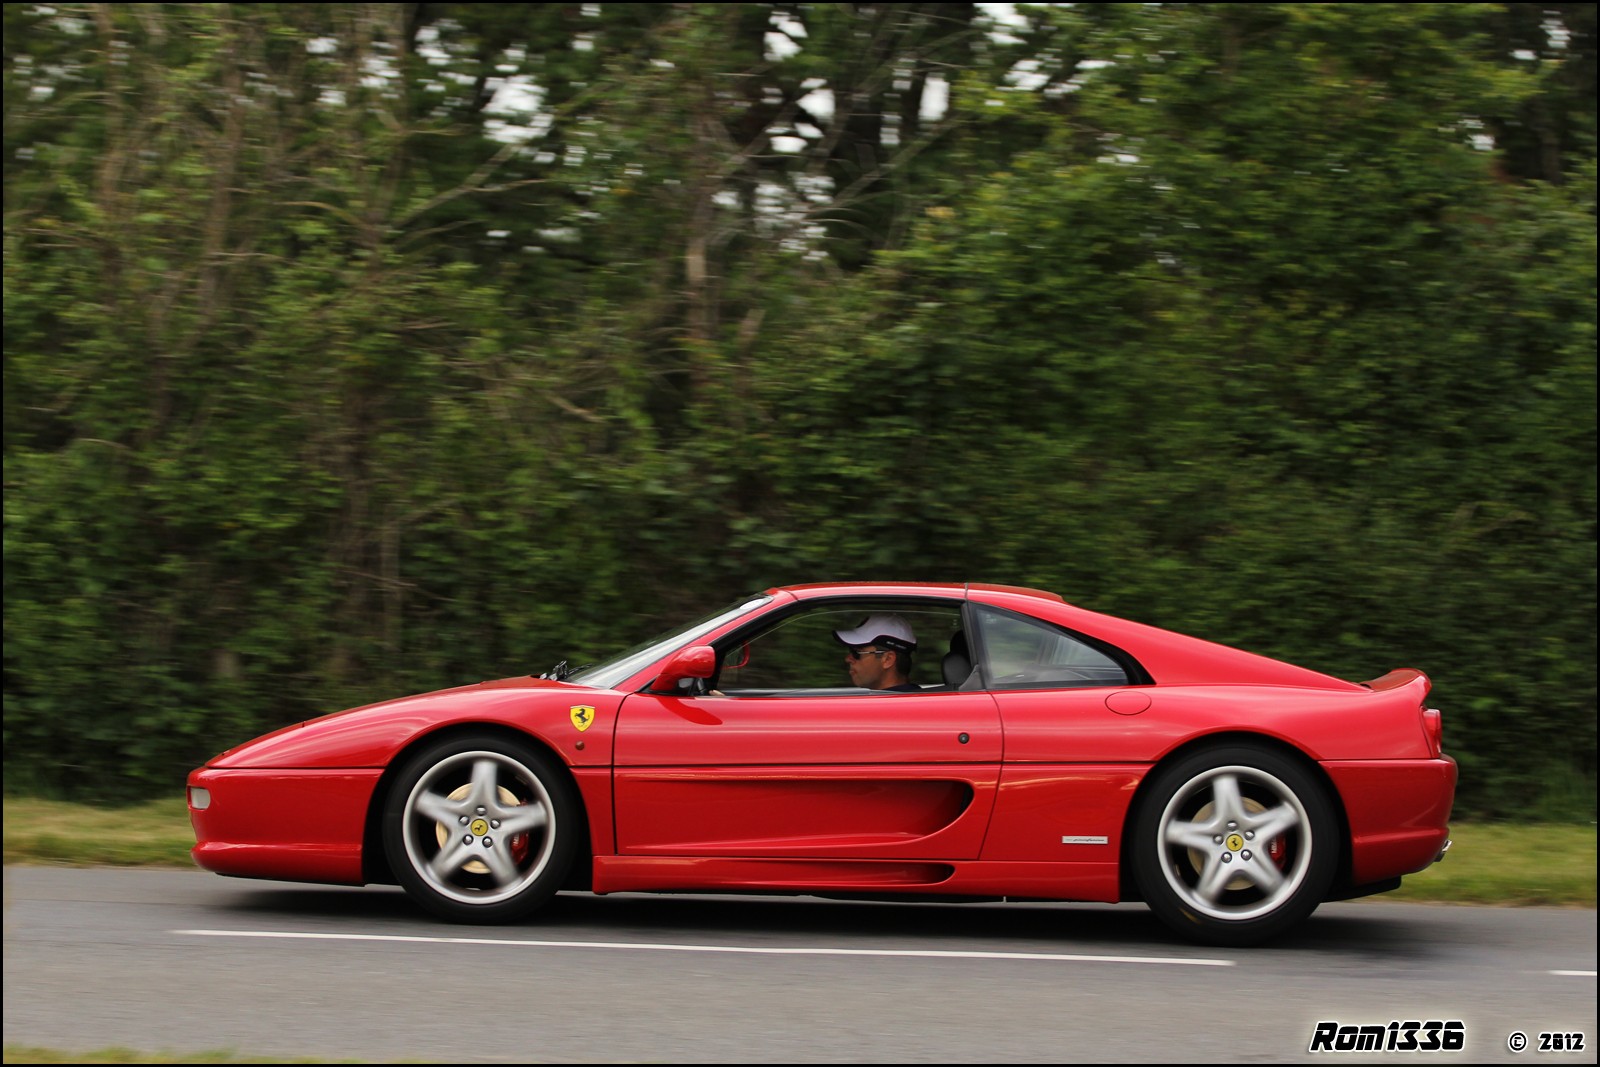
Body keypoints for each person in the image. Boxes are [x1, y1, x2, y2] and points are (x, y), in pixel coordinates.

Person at [834, 614, 920, 692]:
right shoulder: (910, 701)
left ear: (888, 659)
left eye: (856, 652)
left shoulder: (899, 707)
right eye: (850, 650)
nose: (848, 659)